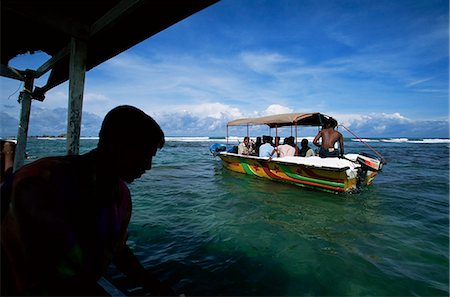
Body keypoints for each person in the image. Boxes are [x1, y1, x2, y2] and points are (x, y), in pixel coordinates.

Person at [1, 105, 175, 296]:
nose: (148, 167)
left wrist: (155, 287)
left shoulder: (121, 196)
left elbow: (117, 250)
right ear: (116, 145)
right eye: (143, 156)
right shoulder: (37, 179)